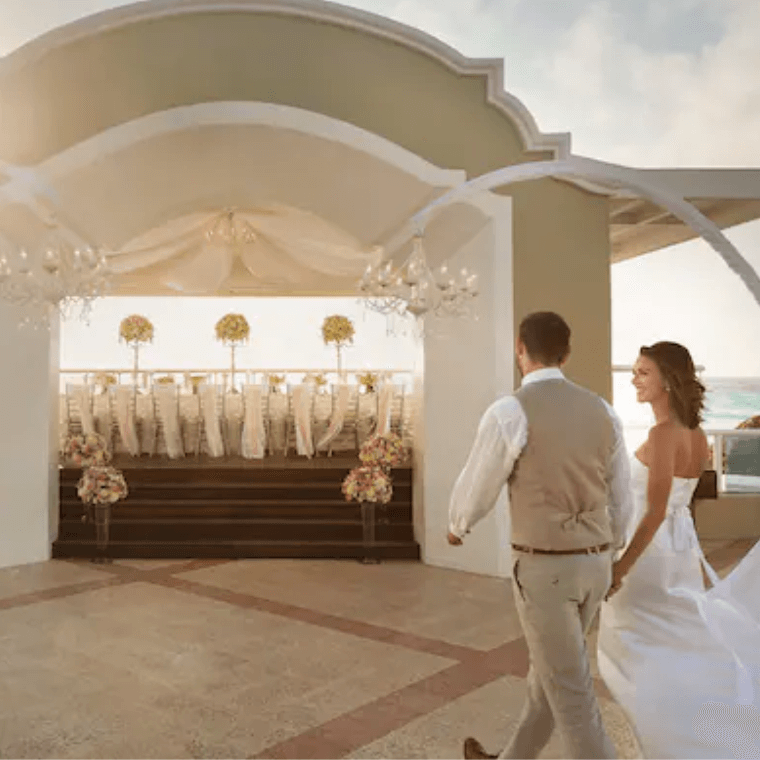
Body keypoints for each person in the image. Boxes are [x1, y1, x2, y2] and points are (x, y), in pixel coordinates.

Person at [448, 311, 634, 759]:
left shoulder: (510, 410)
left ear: (519, 348)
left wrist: (458, 525)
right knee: (547, 680)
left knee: (572, 696)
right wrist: (612, 551)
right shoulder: (603, 411)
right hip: (595, 564)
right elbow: (621, 495)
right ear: (566, 353)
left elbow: (480, 481)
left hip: (545, 570)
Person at [598, 342, 760, 758]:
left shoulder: (663, 435)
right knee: (675, 637)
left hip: (651, 555)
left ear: (667, 380)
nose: (634, 379)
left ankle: (674, 737)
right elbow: (678, 506)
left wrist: (620, 568)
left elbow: (653, 513)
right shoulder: (697, 434)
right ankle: (694, 723)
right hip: (678, 549)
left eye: (642, 372)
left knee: (629, 646)